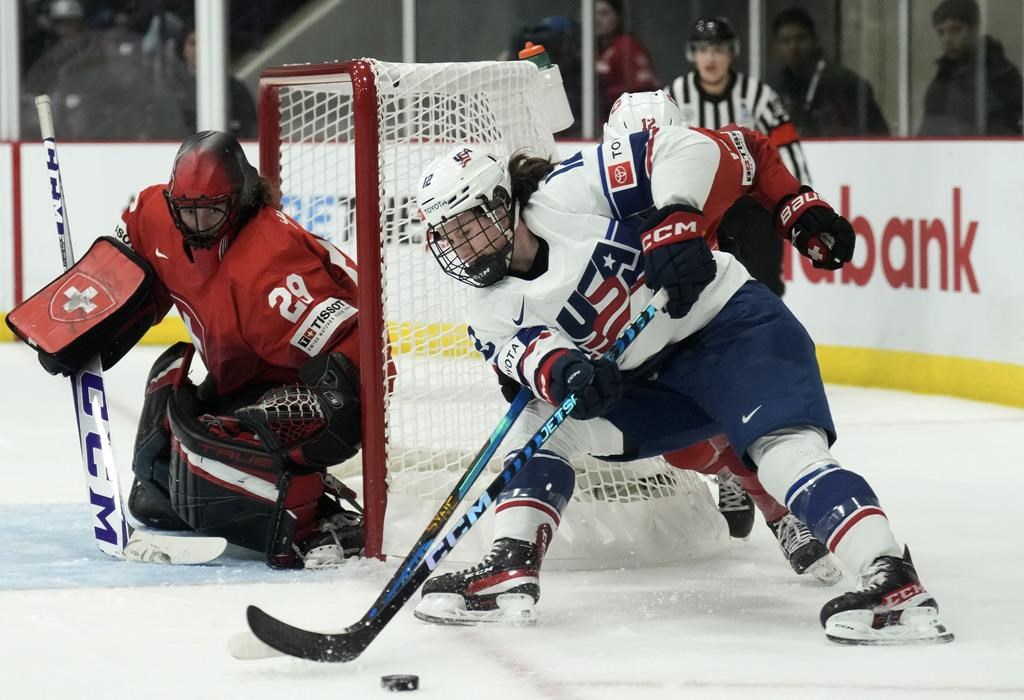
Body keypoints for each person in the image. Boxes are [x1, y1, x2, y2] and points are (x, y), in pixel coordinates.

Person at [409, 122, 953, 644]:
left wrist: (676, 215)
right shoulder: (487, 311)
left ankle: (888, 577)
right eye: (448, 236)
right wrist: (568, 373)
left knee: (782, 453)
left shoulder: (570, 189)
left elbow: (685, 147)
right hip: (649, 385)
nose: (462, 247)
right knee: (538, 426)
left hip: (730, 332)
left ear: (503, 204)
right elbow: (529, 359)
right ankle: (509, 564)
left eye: (468, 226)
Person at [10, 131, 367, 569]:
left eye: (211, 211)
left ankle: (315, 509)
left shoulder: (273, 270)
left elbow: (361, 353)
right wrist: (80, 323)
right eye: (187, 211)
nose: (197, 223)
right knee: (157, 485)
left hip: (288, 385)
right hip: (240, 377)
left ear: (238, 200)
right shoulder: (154, 211)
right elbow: (130, 275)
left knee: (215, 483)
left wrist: (313, 415)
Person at [603, 90, 837, 584]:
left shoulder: (701, 155)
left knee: (748, 415)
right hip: (643, 332)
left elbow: (754, 149)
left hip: (709, 312)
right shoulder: (587, 193)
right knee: (682, 447)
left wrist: (796, 205)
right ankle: (732, 473)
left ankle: (781, 513)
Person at [667, 16, 807, 298]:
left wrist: (799, 204)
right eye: (703, 49)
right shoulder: (675, 97)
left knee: (763, 286)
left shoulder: (759, 97)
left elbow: (788, 150)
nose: (711, 57)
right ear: (692, 54)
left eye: (718, 49)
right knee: (702, 292)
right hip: (701, 209)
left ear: (731, 53)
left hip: (752, 210)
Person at [771, 7, 889, 137]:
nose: (794, 47)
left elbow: (878, 135)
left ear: (815, 41)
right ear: (777, 48)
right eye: (786, 41)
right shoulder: (774, 89)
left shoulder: (846, 84)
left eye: (801, 38)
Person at [918, 0, 1023, 136]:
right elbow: (926, 136)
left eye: (955, 30)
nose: (947, 40)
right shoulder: (940, 83)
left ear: (975, 29)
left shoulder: (1001, 75)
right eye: (941, 33)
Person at [170, 25, 258, 138]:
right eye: (193, 43)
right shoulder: (174, 92)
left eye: (204, 42)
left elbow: (251, 130)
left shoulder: (236, 89)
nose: (199, 49)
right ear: (182, 49)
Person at [595, 0, 659, 128]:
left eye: (604, 13)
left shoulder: (627, 46)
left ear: (618, 17)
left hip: (625, 125)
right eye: (595, 14)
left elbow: (643, 93)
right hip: (606, 123)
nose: (597, 19)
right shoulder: (596, 48)